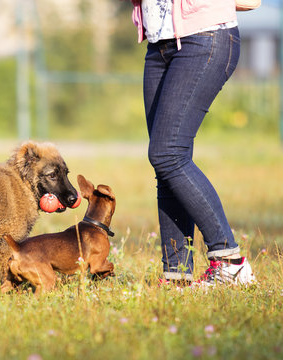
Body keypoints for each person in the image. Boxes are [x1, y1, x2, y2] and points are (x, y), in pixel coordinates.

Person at [130, 0, 255, 286]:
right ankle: (177, 275)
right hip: (159, 43)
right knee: (167, 164)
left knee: (167, 154)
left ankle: (230, 264)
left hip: (204, 36)